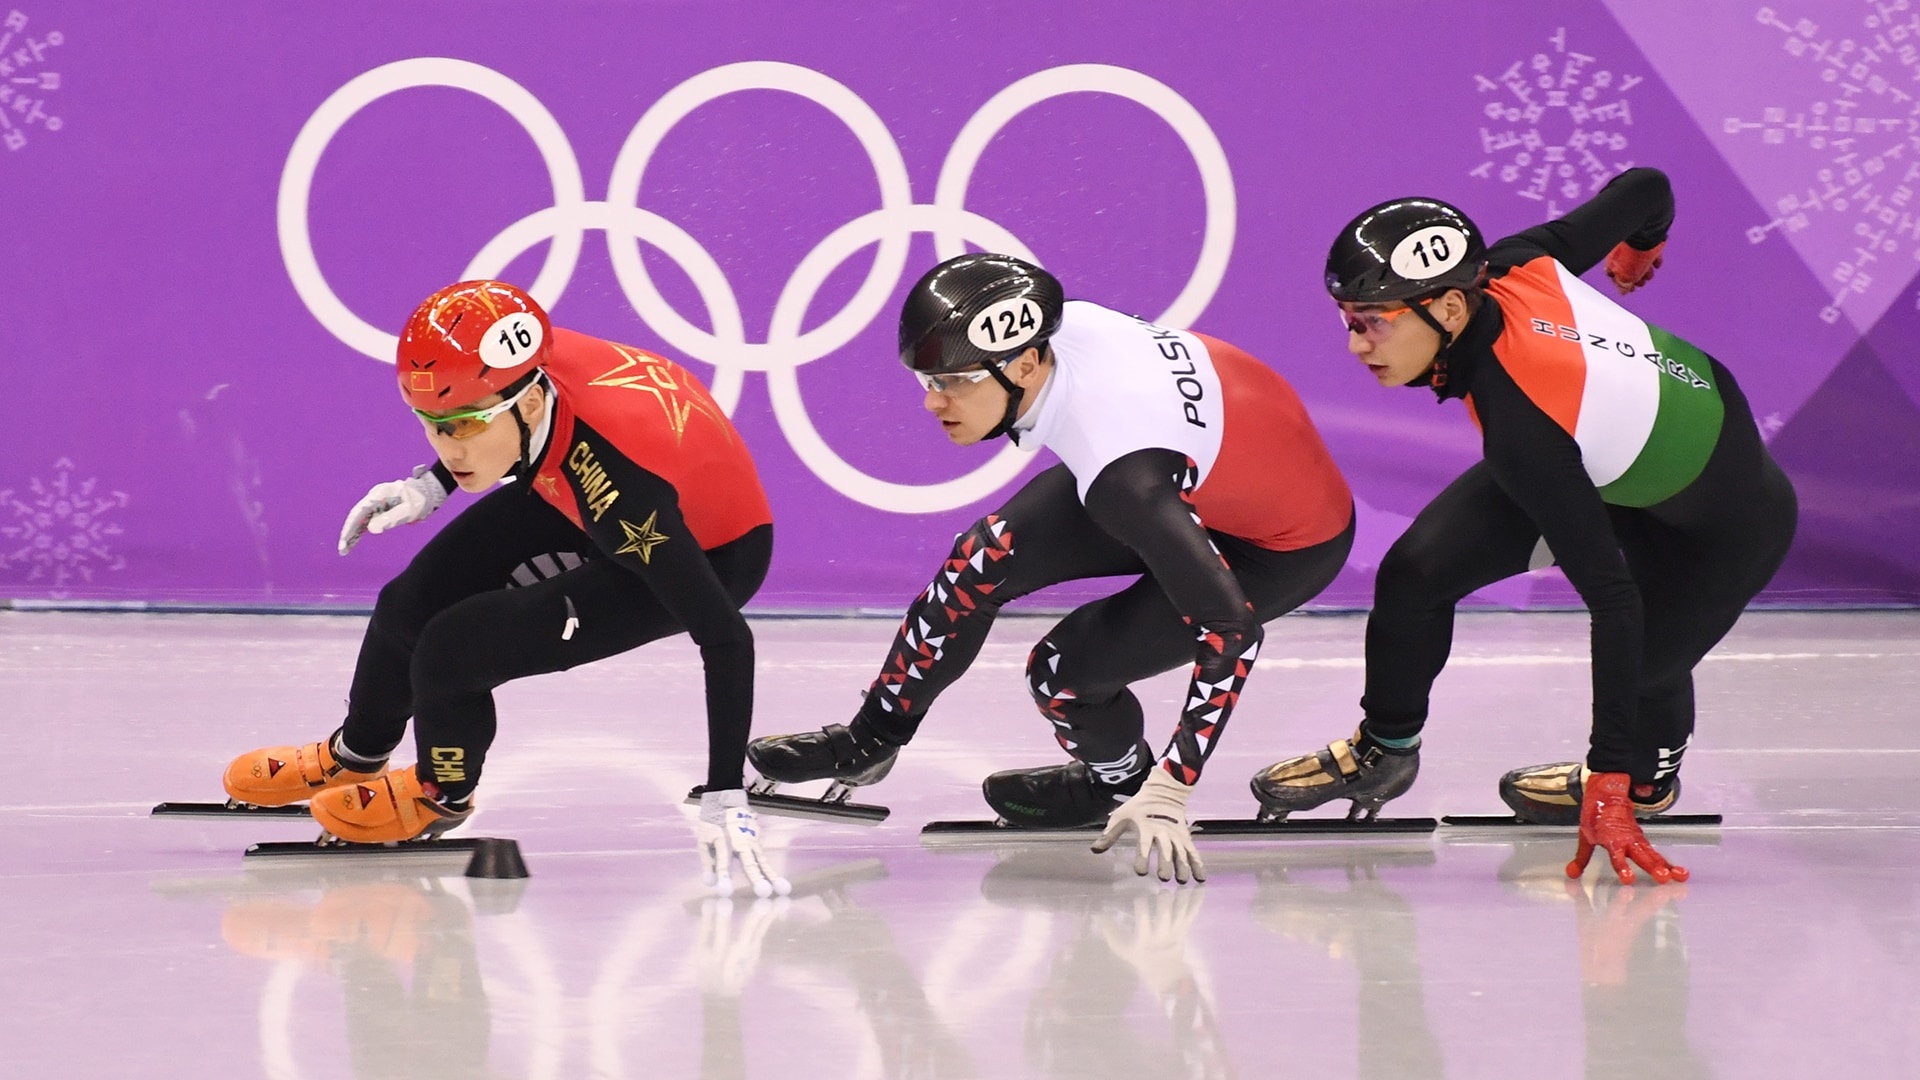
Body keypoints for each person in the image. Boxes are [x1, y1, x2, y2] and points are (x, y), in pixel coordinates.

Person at [1251, 168, 1797, 884]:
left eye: (1373, 322)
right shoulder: (1513, 263)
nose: (1357, 345)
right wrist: (1642, 246)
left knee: (1647, 675)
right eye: (1348, 320)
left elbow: (1612, 599)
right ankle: (1385, 750)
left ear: (1449, 308)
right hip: (1601, 455)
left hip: (1722, 522)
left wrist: (1605, 775)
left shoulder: (1521, 427)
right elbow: (1646, 188)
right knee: (1416, 574)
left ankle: (1645, 785)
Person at [749, 254, 1356, 883]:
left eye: (954, 380)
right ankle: (869, 741)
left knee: (1062, 672)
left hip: (1281, 543)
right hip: (1205, 469)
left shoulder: (1123, 471)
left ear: (1027, 364)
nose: (935, 402)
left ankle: (1116, 784)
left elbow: (1231, 630)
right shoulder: (1057, 343)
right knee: (979, 562)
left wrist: (1173, 787)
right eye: (926, 381)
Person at [223, 280, 788, 897]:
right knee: (407, 603)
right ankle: (355, 753)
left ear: (532, 406)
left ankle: (443, 792)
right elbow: (473, 404)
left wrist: (724, 790)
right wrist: (431, 487)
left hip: (708, 549)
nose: (449, 445)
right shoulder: (515, 374)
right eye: (431, 424)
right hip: (579, 474)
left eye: (464, 427)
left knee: (452, 649)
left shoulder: (623, 497)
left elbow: (727, 639)